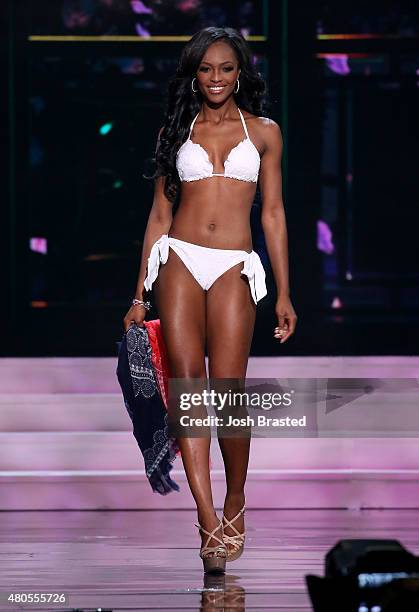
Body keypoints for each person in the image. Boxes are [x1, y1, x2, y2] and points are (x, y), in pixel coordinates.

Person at [123, 26, 297, 573]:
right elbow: (158, 216)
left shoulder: (265, 132)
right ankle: (205, 518)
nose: (216, 78)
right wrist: (138, 295)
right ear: (194, 75)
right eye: (206, 69)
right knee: (191, 392)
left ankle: (235, 499)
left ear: (239, 71)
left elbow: (272, 213)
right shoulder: (176, 131)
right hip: (179, 259)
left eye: (225, 68)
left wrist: (285, 293)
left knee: (228, 394)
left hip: (233, 264)